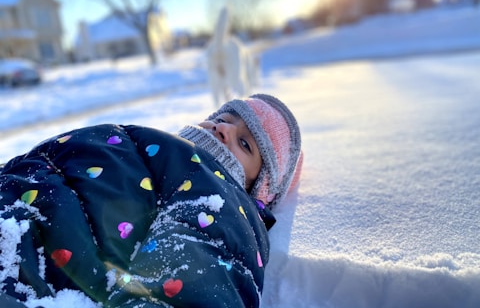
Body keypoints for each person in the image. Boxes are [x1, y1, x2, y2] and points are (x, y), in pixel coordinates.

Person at [0, 94, 302, 307]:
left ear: (256, 190)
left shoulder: (220, 196)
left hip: (23, 268)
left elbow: (194, 280)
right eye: (223, 118)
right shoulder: (150, 143)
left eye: (245, 143)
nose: (223, 129)